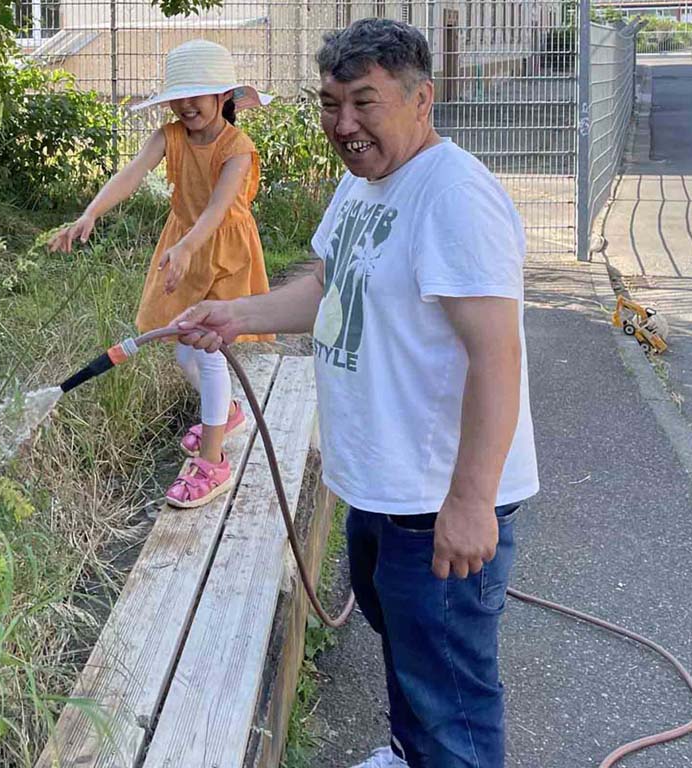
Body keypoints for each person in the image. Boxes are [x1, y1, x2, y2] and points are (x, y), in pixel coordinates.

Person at [175, 18, 539, 768]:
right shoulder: (363, 182)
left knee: (449, 688)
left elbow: (497, 356)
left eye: (365, 102)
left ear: (421, 99)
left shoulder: (453, 197)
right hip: (381, 485)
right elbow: (328, 284)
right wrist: (238, 315)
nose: (344, 125)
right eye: (330, 103)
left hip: (435, 498)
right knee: (409, 649)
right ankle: (410, 754)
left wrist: (472, 502)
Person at [48, 39, 274, 509]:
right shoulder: (168, 136)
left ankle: (212, 462)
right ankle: (226, 412)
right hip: (182, 248)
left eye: (198, 94)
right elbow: (131, 174)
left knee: (208, 352)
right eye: (179, 96)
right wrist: (90, 213)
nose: (187, 105)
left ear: (224, 96)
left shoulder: (238, 148)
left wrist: (189, 245)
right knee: (184, 352)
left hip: (223, 251)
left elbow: (218, 208)